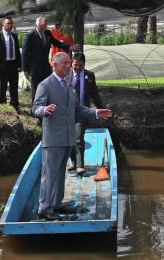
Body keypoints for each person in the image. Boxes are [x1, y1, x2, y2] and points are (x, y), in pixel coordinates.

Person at [31, 52, 112, 221]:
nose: (69, 66)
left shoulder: (69, 86)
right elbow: (35, 108)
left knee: (61, 173)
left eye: (69, 63)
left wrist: (97, 112)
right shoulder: (45, 85)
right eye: (65, 63)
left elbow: (77, 109)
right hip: (53, 138)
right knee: (50, 173)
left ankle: (57, 203)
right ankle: (44, 208)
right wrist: (45, 110)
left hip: (68, 137)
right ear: (55, 65)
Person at [22, 16, 81, 125]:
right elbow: (25, 53)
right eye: (41, 28)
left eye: (44, 28)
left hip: (45, 67)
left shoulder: (48, 33)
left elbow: (56, 43)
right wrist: (25, 69)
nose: (43, 30)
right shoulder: (30, 36)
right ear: (36, 26)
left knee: (49, 88)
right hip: (35, 68)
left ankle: (48, 111)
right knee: (36, 92)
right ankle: (37, 116)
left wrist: (69, 47)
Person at [65, 52, 104, 175]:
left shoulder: (90, 76)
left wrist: (101, 109)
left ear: (84, 64)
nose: (77, 68)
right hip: (67, 112)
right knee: (69, 138)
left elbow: (94, 94)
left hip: (83, 112)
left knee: (78, 138)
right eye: (75, 65)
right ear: (72, 63)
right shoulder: (66, 75)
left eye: (80, 65)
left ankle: (80, 165)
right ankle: (73, 162)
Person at [0, 17, 22, 112]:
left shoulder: (14, 36)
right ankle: (2, 106)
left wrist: (20, 65)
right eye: (8, 23)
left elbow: (17, 52)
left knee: (14, 86)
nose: (10, 25)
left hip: (13, 65)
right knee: (2, 87)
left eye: (11, 23)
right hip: (2, 66)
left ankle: (14, 105)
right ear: (3, 25)